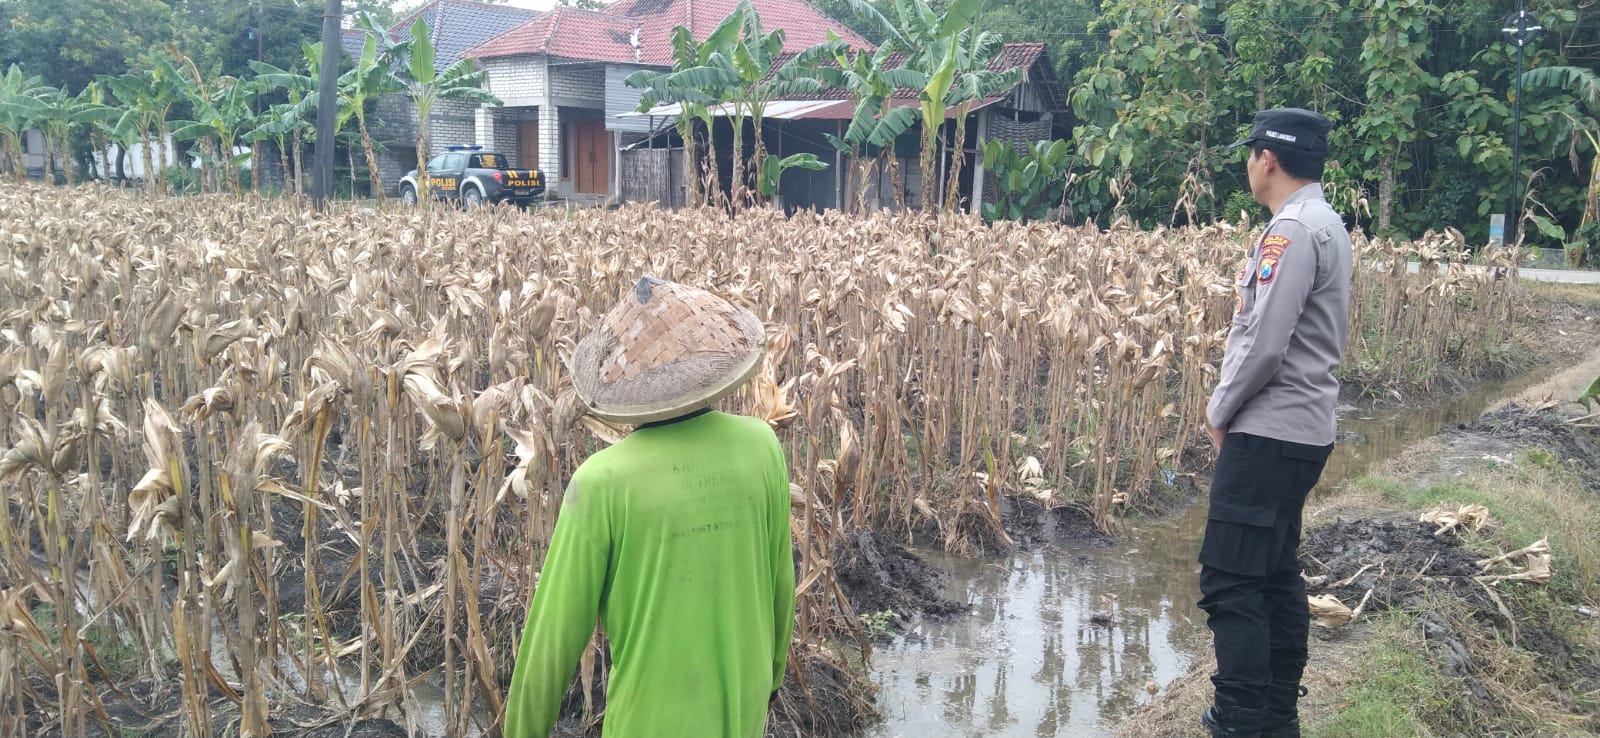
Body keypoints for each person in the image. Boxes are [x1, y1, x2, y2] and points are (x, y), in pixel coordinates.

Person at [503, 277, 797, 738]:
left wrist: (523, 730)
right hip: (745, 716)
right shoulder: (762, 448)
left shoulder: (601, 484)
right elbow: (781, 585)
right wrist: (771, 680)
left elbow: (551, 643)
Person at [1199, 107, 1353, 738]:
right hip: (1304, 432)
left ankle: (1240, 720)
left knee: (1231, 577)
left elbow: (1265, 342)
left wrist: (1219, 408)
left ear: (1268, 158)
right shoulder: (1329, 222)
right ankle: (1276, 715)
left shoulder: (1291, 231)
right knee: (1274, 571)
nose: (1247, 165)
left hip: (1269, 430)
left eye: (1250, 153)